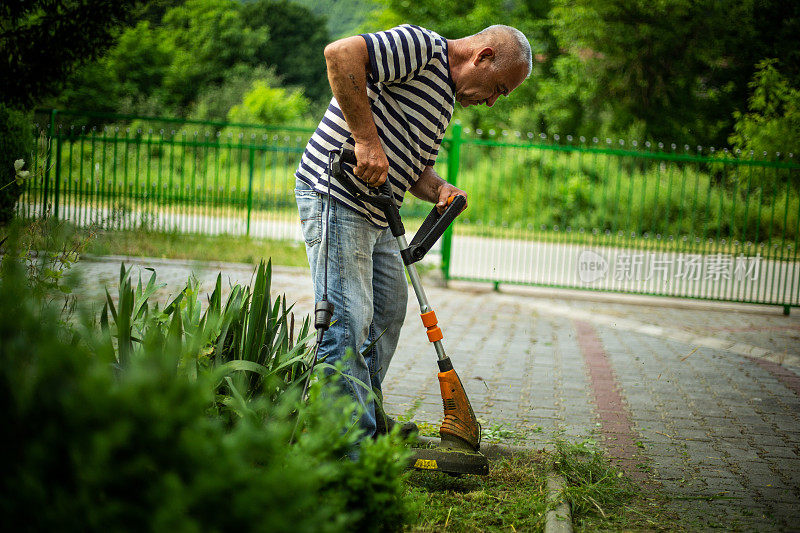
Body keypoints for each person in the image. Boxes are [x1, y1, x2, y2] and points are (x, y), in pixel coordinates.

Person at [295, 24, 532, 438]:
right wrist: (366, 141)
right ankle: (346, 444)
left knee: (387, 310)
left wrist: (439, 188)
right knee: (346, 319)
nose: (493, 101)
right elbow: (340, 54)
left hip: (379, 210)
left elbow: (412, 168)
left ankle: (366, 416)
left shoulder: (443, 101)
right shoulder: (423, 49)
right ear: (484, 55)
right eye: (498, 88)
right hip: (337, 192)